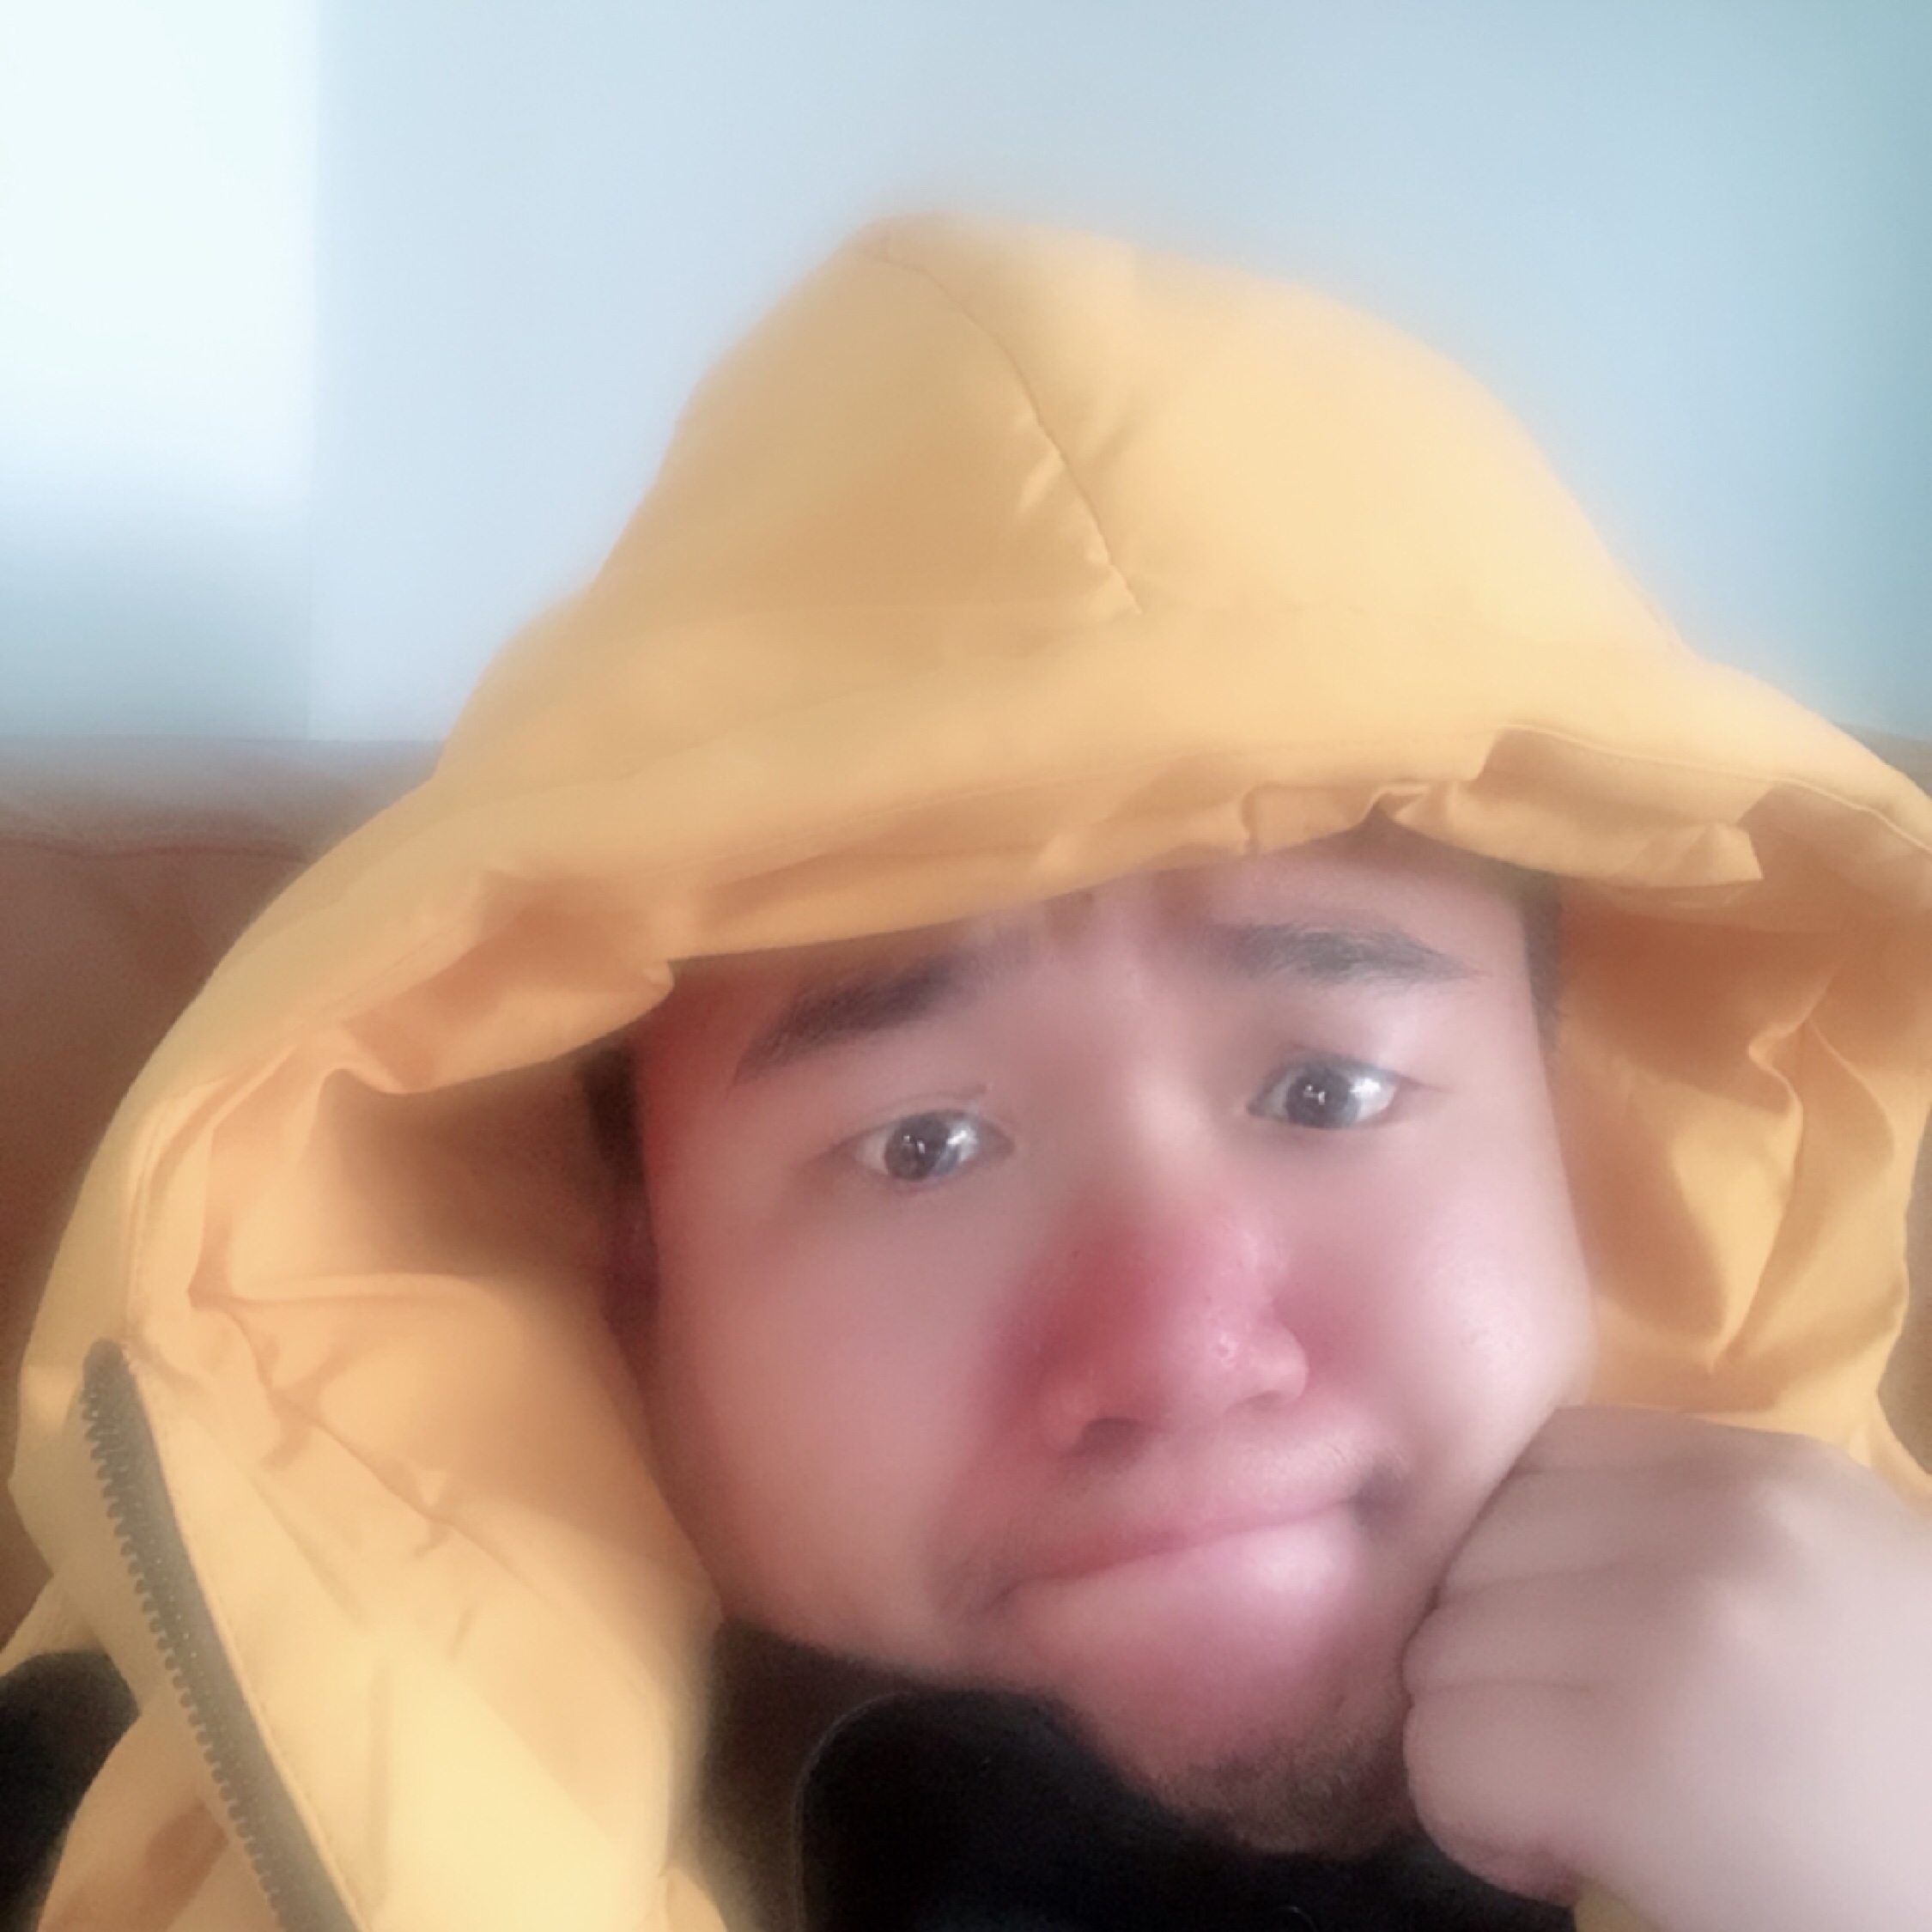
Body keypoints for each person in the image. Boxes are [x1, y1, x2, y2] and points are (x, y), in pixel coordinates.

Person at [3, 214, 1929, 1932]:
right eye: (923, 1142)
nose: (1178, 1345)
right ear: (645, 1275)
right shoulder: (127, 1828)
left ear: (1572, 1147)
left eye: (1326, 1094)